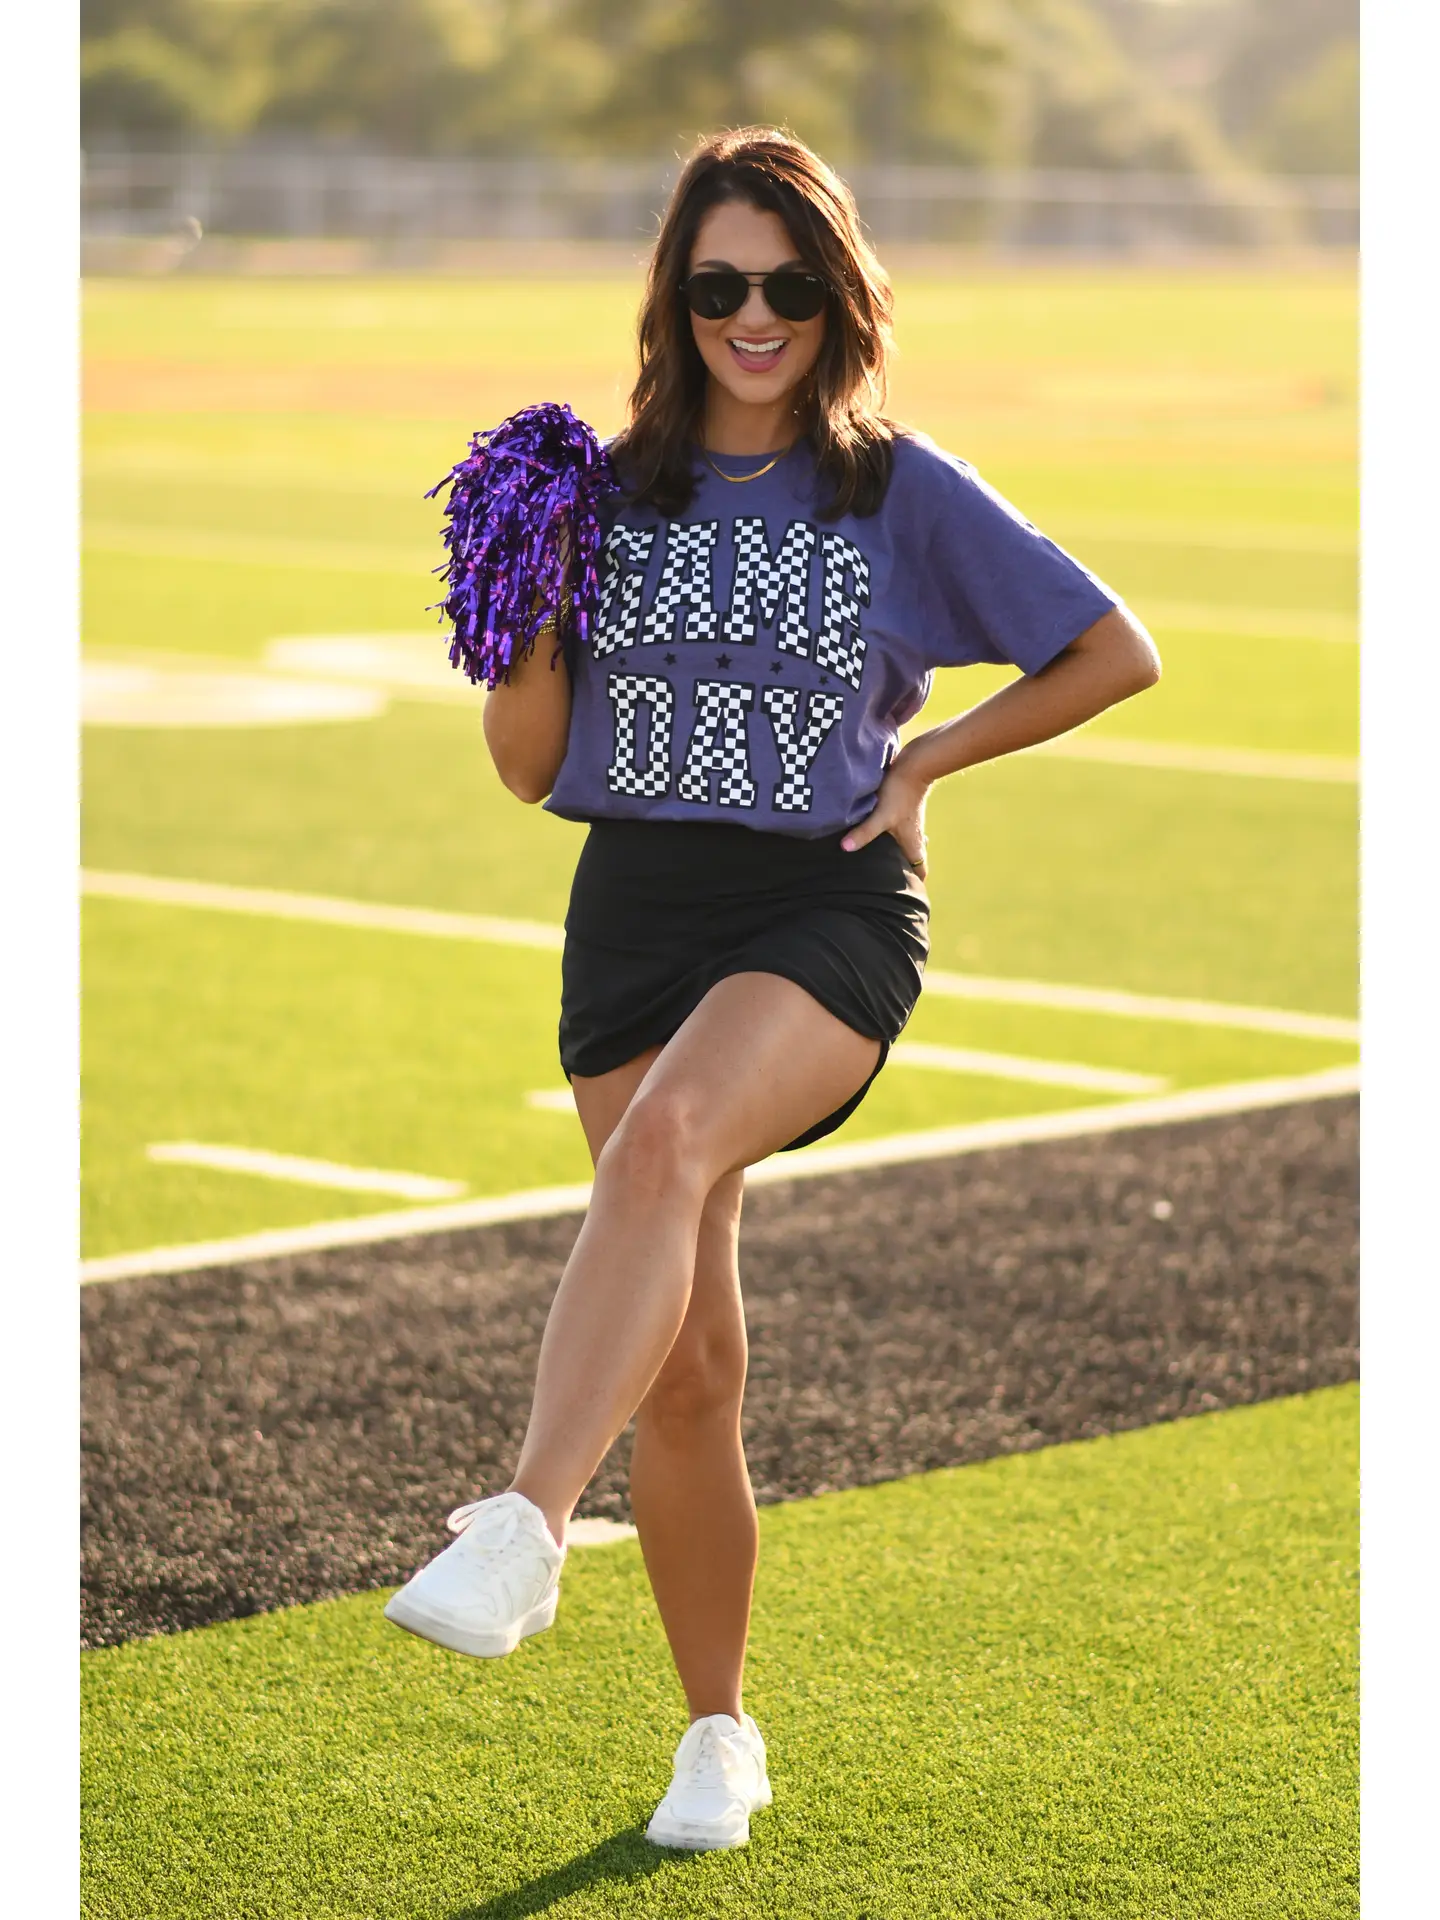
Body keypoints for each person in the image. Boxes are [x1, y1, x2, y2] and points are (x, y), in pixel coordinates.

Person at [384, 126, 1160, 1851]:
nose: (754, 314)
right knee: (692, 1370)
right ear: (676, 293)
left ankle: (521, 1524)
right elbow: (526, 767)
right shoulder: (597, 489)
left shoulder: (897, 487)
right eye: (720, 283)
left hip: (827, 904)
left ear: (837, 297)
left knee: (661, 1151)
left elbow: (1114, 645)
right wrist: (519, 621)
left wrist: (936, 756)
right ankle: (717, 1737)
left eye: (789, 285)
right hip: (637, 907)